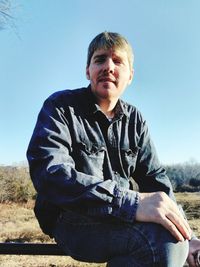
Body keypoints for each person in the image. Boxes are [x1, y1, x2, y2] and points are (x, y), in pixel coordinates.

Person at [27, 31, 200, 267]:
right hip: (69, 219)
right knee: (163, 241)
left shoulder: (135, 121)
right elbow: (49, 173)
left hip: (120, 220)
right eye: (100, 59)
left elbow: (156, 181)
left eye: (118, 61)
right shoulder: (61, 107)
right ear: (88, 70)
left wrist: (188, 235)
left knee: (159, 248)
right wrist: (132, 203)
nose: (108, 66)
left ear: (130, 76)